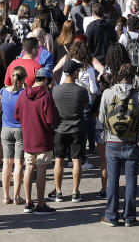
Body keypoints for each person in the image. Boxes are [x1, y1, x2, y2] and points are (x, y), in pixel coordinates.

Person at [100, 62, 139, 226]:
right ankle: (129, 217)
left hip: (112, 142)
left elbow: (101, 119)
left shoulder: (107, 93)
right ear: (132, 76)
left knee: (112, 180)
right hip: (132, 142)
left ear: (118, 76)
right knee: (131, 180)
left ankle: (111, 216)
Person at [15, 66, 60, 214]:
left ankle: (28, 203)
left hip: (27, 139)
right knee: (41, 170)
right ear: (46, 80)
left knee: (28, 169)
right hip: (43, 139)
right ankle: (41, 204)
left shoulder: (22, 95)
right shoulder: (46, 96)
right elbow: (51, 119)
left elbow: (17, 116)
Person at [50, 59, 90, 203]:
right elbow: (86, 106)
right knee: (76, 160)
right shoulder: (81, 90)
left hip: (60, 130)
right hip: (77, 129)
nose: (79, 72)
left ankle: (59, 192)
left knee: (58, 160)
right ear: (74, 73)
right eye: (78, 71)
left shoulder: (55, 90)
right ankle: (75, 192)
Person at [0, 65, 27, 205]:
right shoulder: (24, 94)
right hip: (20, 129)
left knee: (6, 163)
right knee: (19, 164)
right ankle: (16, 196)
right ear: (24, 79)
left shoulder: (3, 91)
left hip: (6, 128)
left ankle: (5, 196)